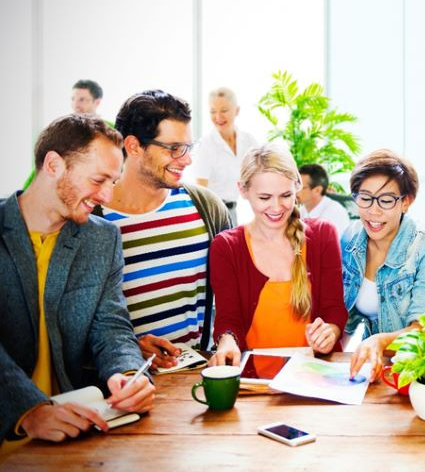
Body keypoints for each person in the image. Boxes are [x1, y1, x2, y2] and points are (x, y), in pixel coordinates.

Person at [1, 115, 154, 452]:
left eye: (114, 181)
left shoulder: (103, 239)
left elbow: (111, 326)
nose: (107, 195)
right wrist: (29, 410)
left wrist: (127, 372)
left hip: (75, 437)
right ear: (54, 164)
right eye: (99, 179)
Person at [96, 90, 232, 370]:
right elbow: (73, 323)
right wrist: (129, 350)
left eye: (187, 148)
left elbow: (234, 293)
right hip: (127, 386)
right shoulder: (95, 219)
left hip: (199, 379)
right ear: (133, 146)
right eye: (173, 148)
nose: (186, 159)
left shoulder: (206, 207)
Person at [208, 144, 347, 366]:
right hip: (254, 381)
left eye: (286, 195)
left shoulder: (323, 235)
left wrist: (330, 331)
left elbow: (334, 309)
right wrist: (227, 341)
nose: (277, 207)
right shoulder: (227, 247)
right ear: (243, 191)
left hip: (317, 377)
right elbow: (228, 319)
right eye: (264, 197)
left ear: (298, 187)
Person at [340, 150, 425, 381]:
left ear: (406, 202)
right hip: (367, 371)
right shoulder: (350, 239)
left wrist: (381, 340)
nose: (373, 210)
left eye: (386, 200)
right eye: (365, 197)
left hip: (412, 373)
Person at [23, 80, 111, 190]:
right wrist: (24, 192)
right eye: (73, 99)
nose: (76, 105)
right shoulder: (63, 130)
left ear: (97, 102)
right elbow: (44, 164)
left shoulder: (111, 131)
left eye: (82, 100)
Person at [190, 87, 259, 225]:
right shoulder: (206, 145)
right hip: (211, 212)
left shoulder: (248, 141)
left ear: (237, 110)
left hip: (232, 210)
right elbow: (200, 190)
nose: (218, 117)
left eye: (224, 110)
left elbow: (258, 176)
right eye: (213, 111)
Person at [297, 163, 350, 237]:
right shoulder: (302, 210)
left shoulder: (334, 213)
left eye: (300, 187)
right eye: (295, 185)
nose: (295, 191)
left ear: (317, 190)